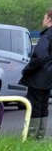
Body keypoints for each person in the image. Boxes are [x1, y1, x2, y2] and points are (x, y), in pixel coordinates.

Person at [21, 9, 52, 140]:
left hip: (39, 76)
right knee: (43, 105)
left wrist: (27, 69)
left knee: (34, 105)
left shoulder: (47, 36)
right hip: (49, 77)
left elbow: (39, 56)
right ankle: (40, 135)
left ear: (49, 19)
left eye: (44, 17)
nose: (43, 20)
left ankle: (31, 136)